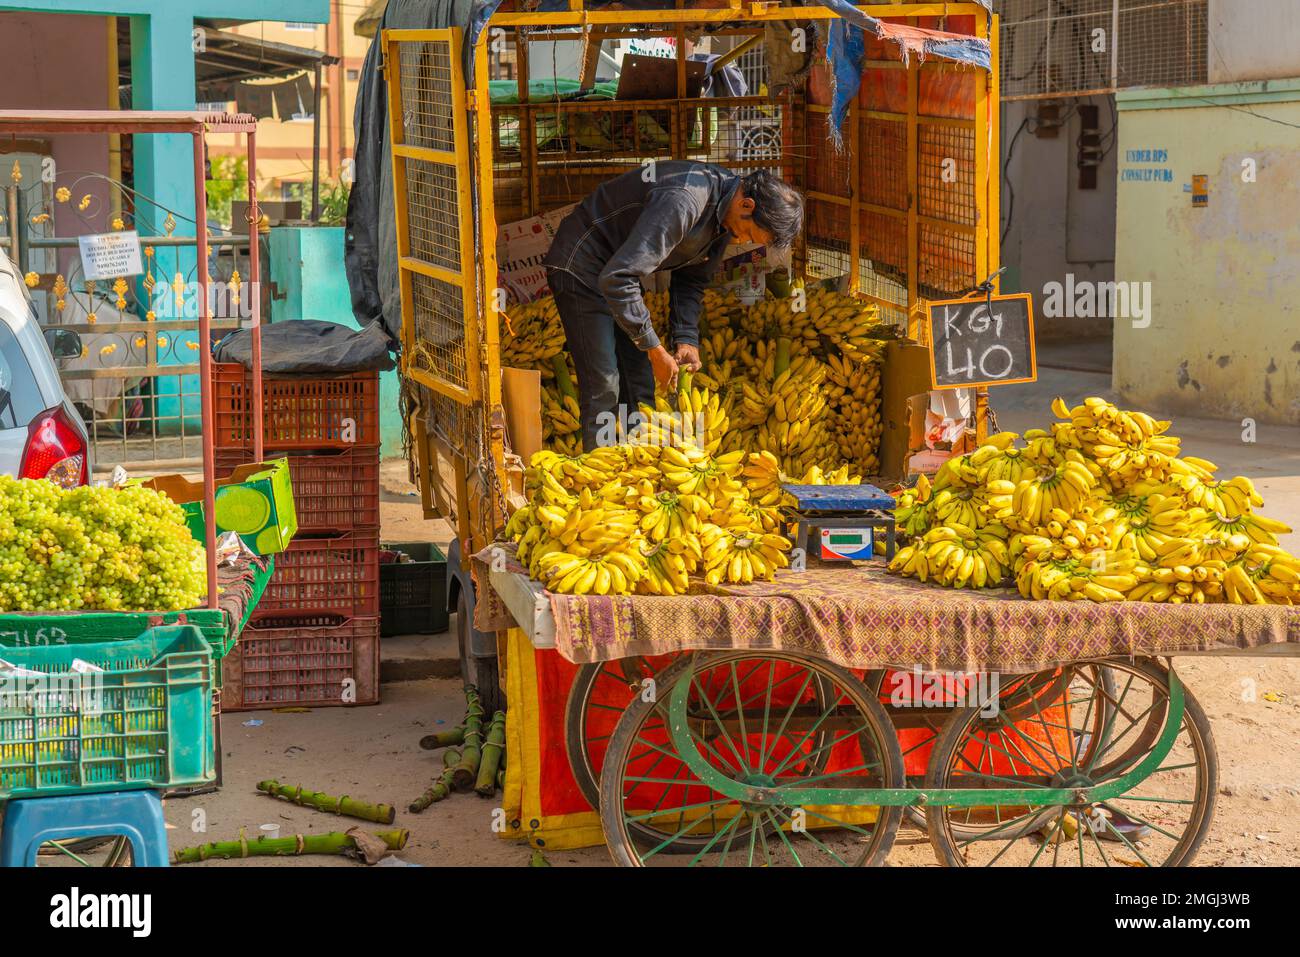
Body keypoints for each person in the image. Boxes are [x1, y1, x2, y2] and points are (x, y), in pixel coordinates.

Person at [543, 161, 804, 449]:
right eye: (748, 233)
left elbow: (692, 280)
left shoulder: (726, 216)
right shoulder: (684, 199)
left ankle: (640, 458)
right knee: (603, 381)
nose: (741, 240)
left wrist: (686, 338)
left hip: (617, 272)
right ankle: (596, 473)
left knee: (639, 378)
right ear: (747, 204)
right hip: (582, 264)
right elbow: (618, 278)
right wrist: (655, 349)